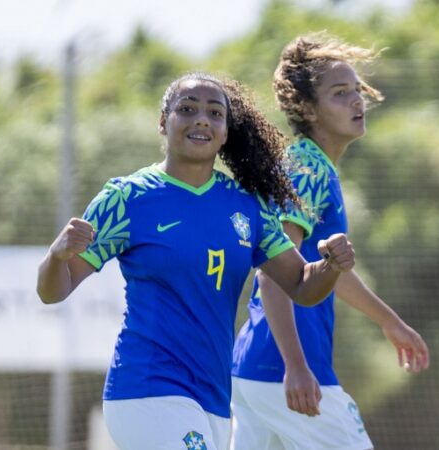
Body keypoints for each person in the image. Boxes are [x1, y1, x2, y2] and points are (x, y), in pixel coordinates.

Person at [37, 72, 357, 450]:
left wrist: (330, 267)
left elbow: (302, 286)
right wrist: (57, 256)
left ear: (225, 132)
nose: (202, 119)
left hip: (214, 400)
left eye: (214, 113)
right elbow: (53, 291)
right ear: (163, 122)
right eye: (187, 109)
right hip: (145, 390)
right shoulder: (128, 198)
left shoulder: (246, 206)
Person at [231, 33, 431, 450]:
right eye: (340, 93)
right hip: (283, 368)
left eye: (357, 90)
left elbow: (325, 275)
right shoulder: (308, 168)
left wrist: (388, 321)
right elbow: (273, 274)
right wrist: (297, 367)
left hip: (254, 367)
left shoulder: (310, 165)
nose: (356, 101)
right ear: (306, 107)